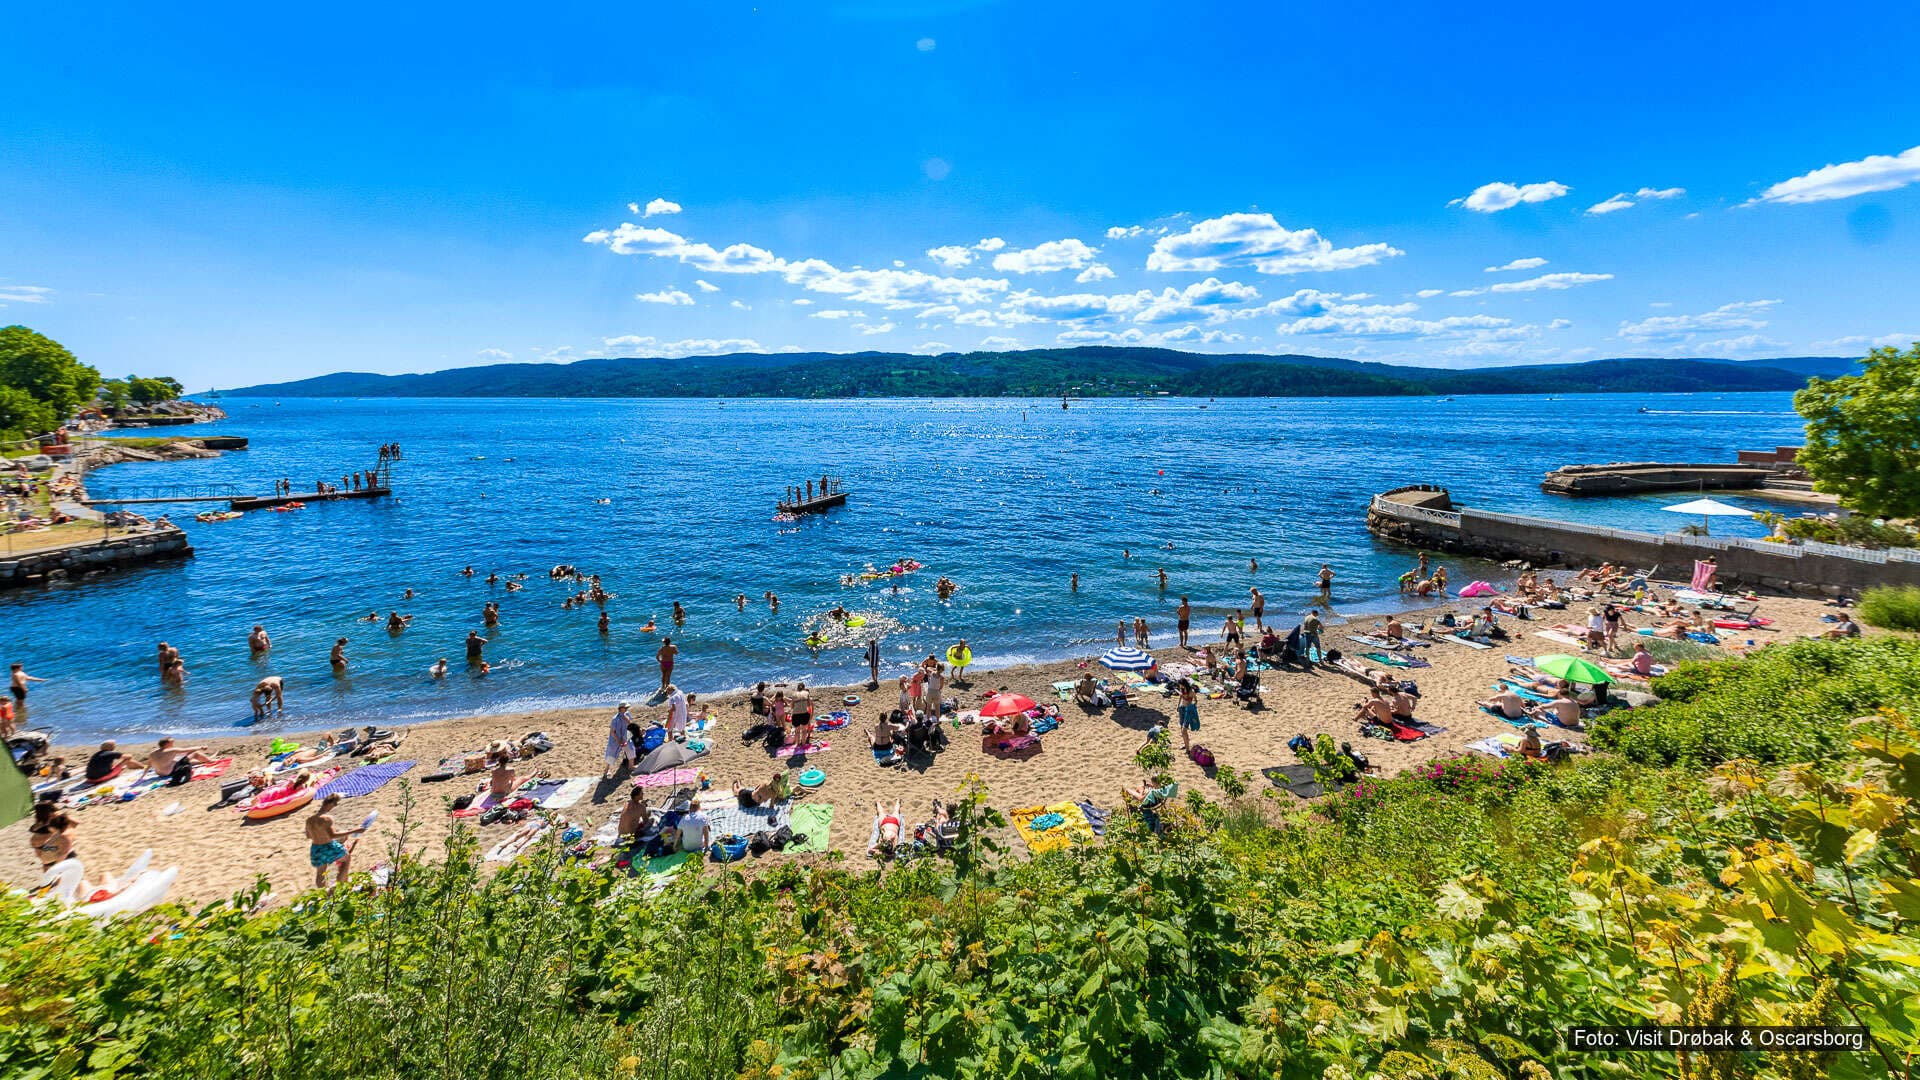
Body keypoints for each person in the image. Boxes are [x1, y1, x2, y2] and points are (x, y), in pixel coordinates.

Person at [305, 793, 368, 889]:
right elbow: (332, 835)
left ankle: (323, 894)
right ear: (330, 803)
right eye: (335, 804)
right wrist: (356, 830)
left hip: (315, 848)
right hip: (327, 846)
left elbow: (308, 836)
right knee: (346, 858)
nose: (334, 807)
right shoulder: (327, 819)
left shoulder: (309, 820)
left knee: (320, 872)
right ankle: (341, 884)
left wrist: (320, 835)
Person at [148, 737, 215, 784]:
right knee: (195, 753)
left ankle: (203, 760)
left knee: (181, 758)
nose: (173, 744)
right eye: (172, 743)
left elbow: (148, 765)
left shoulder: (152, 753)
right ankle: (210, 760)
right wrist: (201, 747)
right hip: (170, 772)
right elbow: (188, 749)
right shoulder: (171, 750)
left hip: (160, 774)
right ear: (167, 744)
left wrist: (142, 776)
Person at [605, 702, 636, 777]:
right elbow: (612, 732)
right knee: (611, 753)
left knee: (631, 749)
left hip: (625, 736)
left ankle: (631, 766)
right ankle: (607, 770)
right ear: (621, 708)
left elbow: (630, 724)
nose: (627, 709)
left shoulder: (627, 714)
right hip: (615, 738)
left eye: (627, 708)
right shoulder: (615, 719)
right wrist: (619, 741)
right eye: (625, 708)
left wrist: (626, 719)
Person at [1176, 679, 1200, 751]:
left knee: (1184, 729)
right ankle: (1186, 744)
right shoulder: (1182, 689)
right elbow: (1180, 697)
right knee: (1182, 727)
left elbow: (1195, 700)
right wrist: (1177, 706)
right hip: (1182, 709)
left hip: (1188, 711)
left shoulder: (1191, 691)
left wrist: (1193, 706)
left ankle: (1187, 749)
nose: (1180, 686)